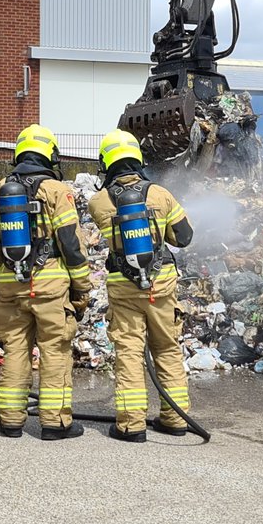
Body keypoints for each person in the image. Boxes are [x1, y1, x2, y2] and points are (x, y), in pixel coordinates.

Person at [0, 124, 92, 440]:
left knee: (15, 350)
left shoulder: (0, 188)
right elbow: (70, 243)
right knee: (55, 351)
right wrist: (81, 286)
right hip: (51, 286)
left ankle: (11, 422)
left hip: (11, 285)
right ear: (50, 155)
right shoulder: (57, 191)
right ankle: (55, 424)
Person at [88, 129, 194, 442]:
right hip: (161, 284)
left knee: (129, 353)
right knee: (167, 350)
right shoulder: (161, 195)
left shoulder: (99, 202)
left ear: (106, 162)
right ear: (137, 157)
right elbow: (184, 238)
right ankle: (175, 419)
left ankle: (131, 426)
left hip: (123, 287)